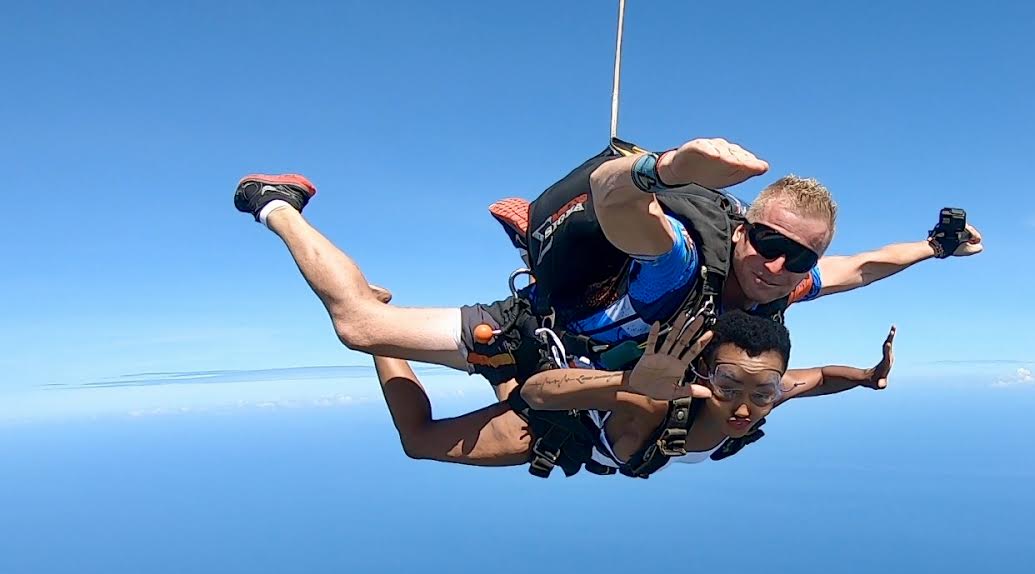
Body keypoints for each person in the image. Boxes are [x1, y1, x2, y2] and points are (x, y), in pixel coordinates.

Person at [233, 136, 979, 393]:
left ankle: (537, 235)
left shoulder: (788, 282)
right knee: (360, 326)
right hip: (550, 326)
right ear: (743, 227)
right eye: (769, 244)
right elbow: (618, 201)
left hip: (588, 339)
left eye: (798, 257)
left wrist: (936, 247)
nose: (779, 268)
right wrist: (663, 167)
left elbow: (865, 265)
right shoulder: (685, 259)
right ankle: (278, 203)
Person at [365, 285, 896, 477]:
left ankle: (496, 361)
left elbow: (821, 377)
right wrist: (637, 387)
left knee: (507, 383)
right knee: (419, 441)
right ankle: (379, 337)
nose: (745, 406)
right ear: (706, 373)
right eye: (730, 385)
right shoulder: (666, 404)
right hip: (570, 424)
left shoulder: (764, 396)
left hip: (584, 409)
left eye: (763, 392)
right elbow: (540, 395)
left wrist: (867, 376)